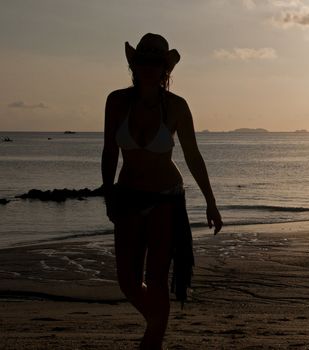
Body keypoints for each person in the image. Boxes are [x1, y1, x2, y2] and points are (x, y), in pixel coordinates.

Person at [101, 33, 223, 350]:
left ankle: (153, 339)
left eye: (155, 63)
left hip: (166, 200)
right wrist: (108, 193)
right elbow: (109, 151)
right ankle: (156, 324)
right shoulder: (116, 102)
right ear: (135, 65)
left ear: (164, 69)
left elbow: (193, 156)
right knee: (127, 281)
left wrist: (210, 201)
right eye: (143, 62)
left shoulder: (177, 107)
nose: (148, 69)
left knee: (156, 278)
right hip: (127, 196)